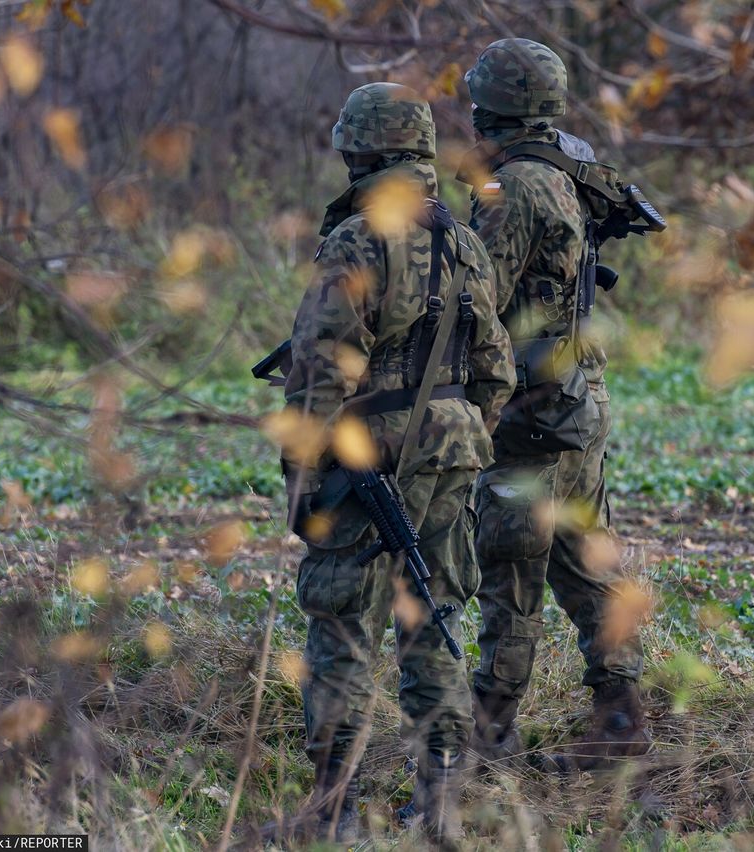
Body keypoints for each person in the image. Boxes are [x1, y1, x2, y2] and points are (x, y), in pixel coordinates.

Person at [278, 82, 514, 844]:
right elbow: (496, 372)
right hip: (454, 456)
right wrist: (463, 432)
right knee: (434, 620)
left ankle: (334, 809)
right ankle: (439, 805)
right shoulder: (460, 238)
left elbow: (319, 372)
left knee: (343, 626)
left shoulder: (355, 241)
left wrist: (305, 479)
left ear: (360, 149)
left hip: (364, 459)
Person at [463, 38, 650, 770]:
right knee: (584, 568)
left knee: (510, 578)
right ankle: (622, 723)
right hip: (578, 401)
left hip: (535, 418)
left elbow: (477, 305)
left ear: (490, 107)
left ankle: (487, 746)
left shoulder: (515, 189)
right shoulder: (567, 167)